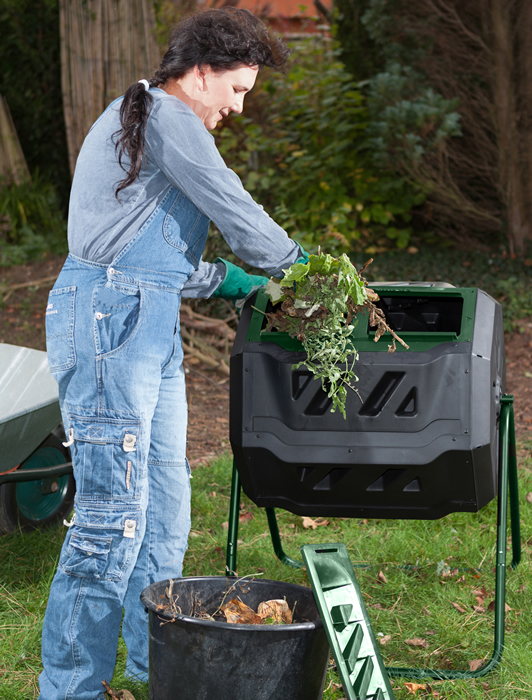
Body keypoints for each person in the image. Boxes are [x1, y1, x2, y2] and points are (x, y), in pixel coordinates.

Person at [39, 9, 305, 699]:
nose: (238, 107)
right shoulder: (166, 116)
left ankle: (154, 665)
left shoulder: (153, 120)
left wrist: (229, 281)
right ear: (200, 73)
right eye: (237, 90)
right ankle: (70, 688)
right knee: (110, 521)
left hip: (143, 319)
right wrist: (293, 267)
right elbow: (226, 198)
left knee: (162, 512)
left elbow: (145, 254)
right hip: (109, 322)